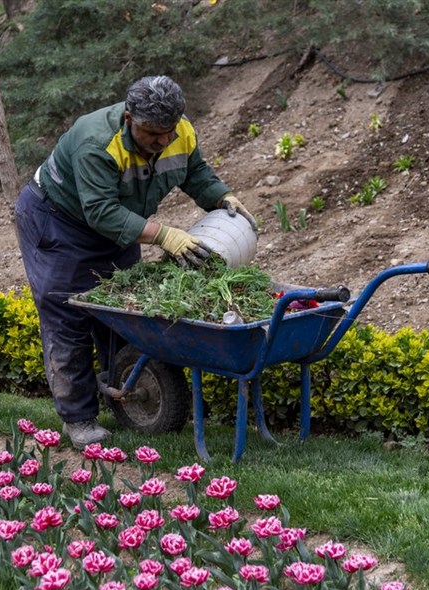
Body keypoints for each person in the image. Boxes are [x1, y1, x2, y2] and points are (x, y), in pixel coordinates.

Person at [14, 75, 257, 449]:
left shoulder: (181, 132)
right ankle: (79, 418)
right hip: (58, 223)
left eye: (168, 132)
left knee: (120, 311)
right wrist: (164, 235)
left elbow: (195, 173)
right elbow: (99, 211)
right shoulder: (96, 142)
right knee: (70, 316)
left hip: (119, 224)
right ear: (129, 118)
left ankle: (125, 396)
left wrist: (223, 198)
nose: (162, 141)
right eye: (151, 133)